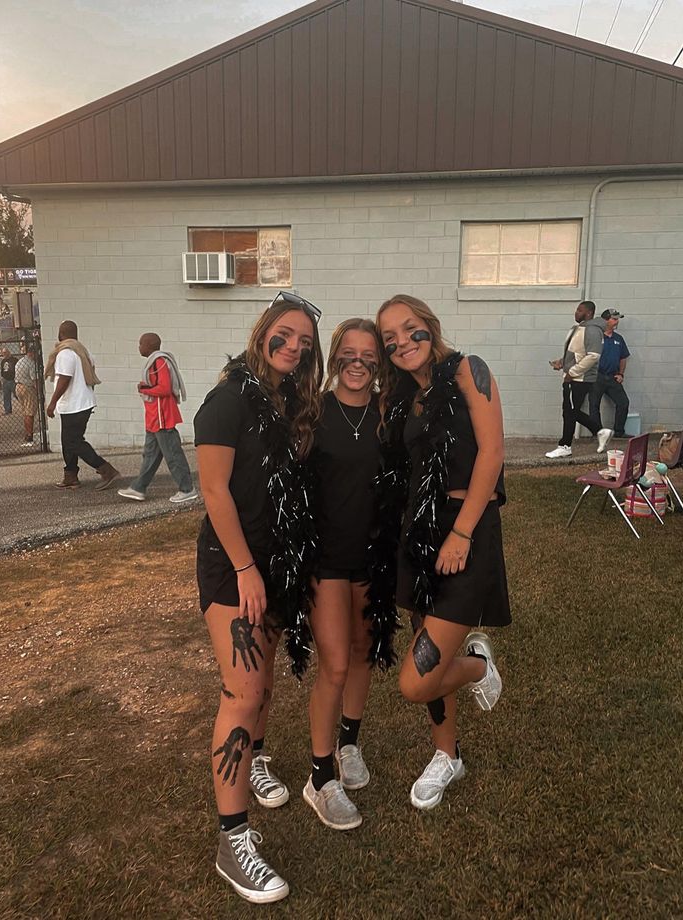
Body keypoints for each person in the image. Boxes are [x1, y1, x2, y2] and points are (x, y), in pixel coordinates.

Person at [194, 291, 323, 904]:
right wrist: (246, 568)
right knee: (242, 693)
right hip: (233, 569)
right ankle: (232, 840)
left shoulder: (289, 401)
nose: (294, 346)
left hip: (276, 567)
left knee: (265, 681)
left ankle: (259, 762)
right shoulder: (226, 400)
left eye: (304, 341)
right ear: (263, 330)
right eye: (285, 334)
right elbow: (214, 492)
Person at [376, 294, 510, 811]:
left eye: (411, 330)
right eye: (391, 340)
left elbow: (493, 453)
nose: (403, 343)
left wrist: (462, 532)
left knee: (417, 679)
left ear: (430, 327)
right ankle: (446, 755)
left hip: (465, 534)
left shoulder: (468, 371)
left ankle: (476, 664)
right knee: (424, 650)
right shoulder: (408, 397)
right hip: (419, 537)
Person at [304, 318, 390, 831]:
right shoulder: (311, 412)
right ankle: (318, 776)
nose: (357, 363)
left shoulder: (387, 413)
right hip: (324, 558)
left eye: (368, 355)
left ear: (379, 362)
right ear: (335, 356)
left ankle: (349, 742)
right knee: (334, 665)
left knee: (362, 653)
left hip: (373, 554)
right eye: (349, 354)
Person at [118, 333, 197, 504]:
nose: (139, 347)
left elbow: (164, 388)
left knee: (173, 454)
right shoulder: (154, 362)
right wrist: (145, 386)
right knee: (150, 455)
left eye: (140, 344)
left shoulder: (158, 361)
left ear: (149, 345)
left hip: (162, 417)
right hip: (154, 417)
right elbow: (158, 385)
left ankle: (187, 489)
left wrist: (145, 390)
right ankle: (139, 488)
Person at [44, 320, 121, 490]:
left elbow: (65, 378)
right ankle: (70, 475)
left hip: (74, 404)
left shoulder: (65, 353)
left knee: (73, 442)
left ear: (61, 334)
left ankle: (106, 469)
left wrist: (52, 402)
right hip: (81, 403)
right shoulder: (83, 351)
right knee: (68, 441)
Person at [545, 300, 613, 459]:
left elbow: (593, 356)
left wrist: (572, 372)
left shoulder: (592, 330)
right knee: (571, 411)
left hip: (579, 378)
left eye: (579, 310)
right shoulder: (579, 328)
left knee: (569, 411)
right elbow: (576, 353)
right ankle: (600, 431)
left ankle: (565, 445)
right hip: (574, 376)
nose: (576, 312)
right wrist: (562, 362)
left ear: (589, 313)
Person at [589, 309, 631, 439]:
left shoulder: (618, 339)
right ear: (605, 320)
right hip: (597, 376)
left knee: (623, 402)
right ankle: (598, 433)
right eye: (614, 319)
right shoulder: (596, 336)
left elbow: (623, 357)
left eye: (617, 319)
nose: (617, 321)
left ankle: (619, 431)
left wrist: (621, 374)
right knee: (594, 404)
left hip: (612, 376)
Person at [14, 345, 38, 447]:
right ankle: (29, 434)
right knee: (30, 412)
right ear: (32, 353)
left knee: (25, 411)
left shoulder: (20, 361)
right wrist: (39, 390)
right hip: (27, 387)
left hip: (18, 386)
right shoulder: (31, 363)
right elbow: (34, 379)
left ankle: (27, 432)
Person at [0, 348, 17, 414]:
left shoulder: (14, 360)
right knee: (6, 396)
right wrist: (2, 378)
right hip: (5, 380)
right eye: (3, 353)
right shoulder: (3, 361)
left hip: (13, 379)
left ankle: (24, 406)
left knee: (17, 394)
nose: (4, 354)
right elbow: (2, 370)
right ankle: (7, 410)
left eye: (5, 352)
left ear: (8, 352)